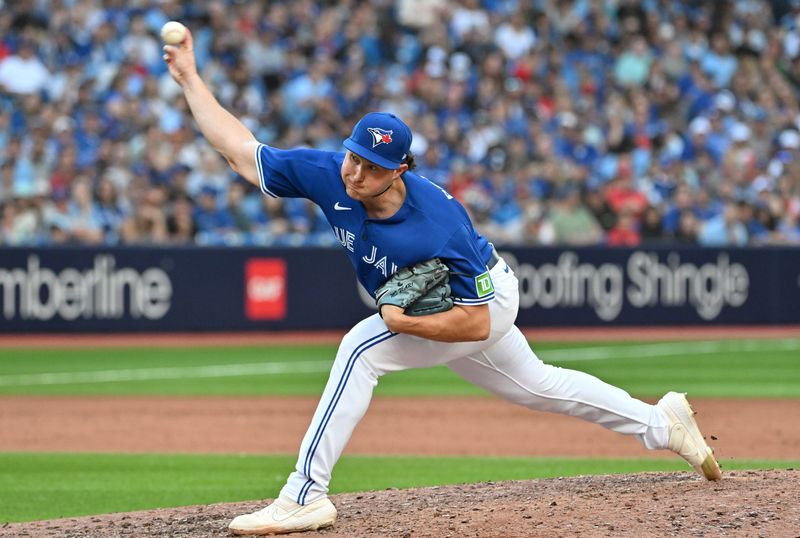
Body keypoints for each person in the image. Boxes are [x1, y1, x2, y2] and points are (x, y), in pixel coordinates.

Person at [162, 27, 722, 536]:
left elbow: (476, 321)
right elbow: (239, 151)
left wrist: (404, 321)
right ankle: (660, 422)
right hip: (452, 306)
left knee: (361, 349)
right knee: (540, 386)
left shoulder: (436, 225)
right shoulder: (330, 172)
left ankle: (304, 496)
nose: (356, 174)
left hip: (480, 301)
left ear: (400, 170)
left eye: (372, 168)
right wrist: (191, 78)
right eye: (354, 158)